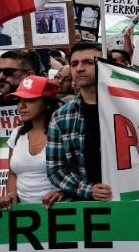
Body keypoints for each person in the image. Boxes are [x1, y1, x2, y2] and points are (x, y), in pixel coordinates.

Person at [46, 42, 112, 201]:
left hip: (133, 202)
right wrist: (89, 190)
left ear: (107, 66)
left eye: (89, 62)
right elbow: (55, 170)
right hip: (86, 207)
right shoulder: (61, 117)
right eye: (74, 64)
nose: (79, 68)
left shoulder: (130, 108)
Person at [0, 76, 65, 208]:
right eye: (19, 100)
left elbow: (79, 172)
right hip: (24, 216)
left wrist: (63, 192)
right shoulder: (16, 134)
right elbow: (12, 174)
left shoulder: (63, 133)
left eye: (30, 100)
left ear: (48, 103)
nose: (21, 106)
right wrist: (11, 195)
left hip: (60, 212)